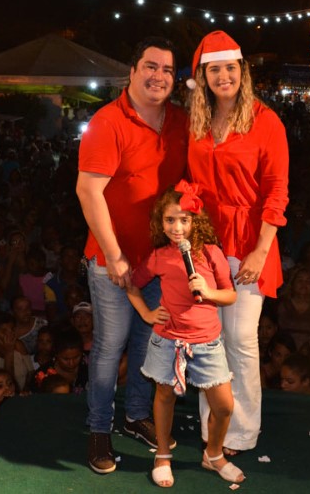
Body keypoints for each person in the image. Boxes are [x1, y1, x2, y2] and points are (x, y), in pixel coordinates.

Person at [75, 36, 188, 474]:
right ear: (133, 71)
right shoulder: (108, 121)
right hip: (113, 261)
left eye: (167, 69)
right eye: (151, 66)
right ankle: (98, 429)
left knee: (149, 339)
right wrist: (114, 253)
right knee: (110, 346)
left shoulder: (179, 121)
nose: (159, 76)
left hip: (159, 259)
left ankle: (136, 414)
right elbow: (88, 191)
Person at [185, 30, 289, 455]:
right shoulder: (197, 120)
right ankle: (214, 426)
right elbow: (192, 182)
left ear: (243, 71)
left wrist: (261, 251)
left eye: (230, 67)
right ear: (203, 76)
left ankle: (242, 432)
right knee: (208, 338)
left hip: (249, 240)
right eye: (214, 69)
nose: (223, 76)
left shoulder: (266, 121)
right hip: (206, 242)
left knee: (242, 339)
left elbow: (277, 191)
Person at [126, 182, 243, 487]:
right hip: (168, 339)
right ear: (160, 222)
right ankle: (163, 455)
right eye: (170, 220)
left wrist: (209, 292)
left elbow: (230, 295)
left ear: (195, 221)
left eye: (184, 220)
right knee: (164, 396)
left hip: (207, 342)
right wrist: (146, 313)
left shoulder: (211, 253)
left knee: (224, 406)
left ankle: (213, 454)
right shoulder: (159, 256)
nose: (177, 228)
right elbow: (132, 284)